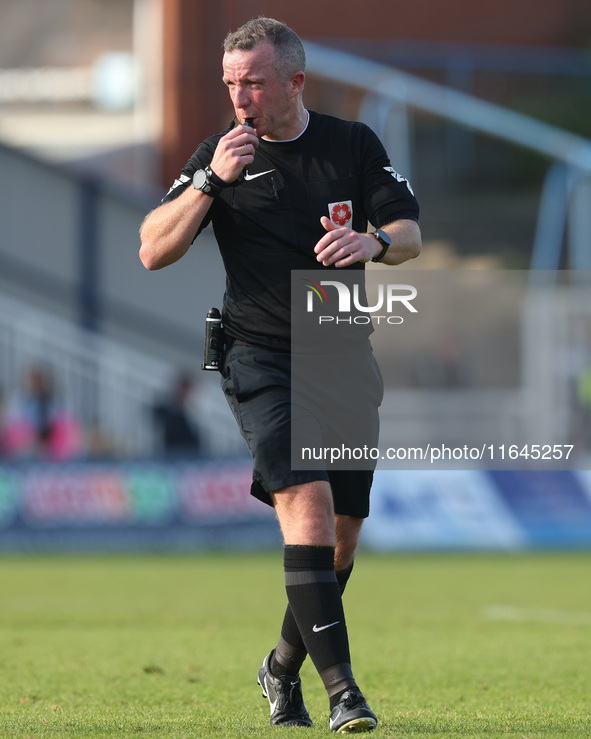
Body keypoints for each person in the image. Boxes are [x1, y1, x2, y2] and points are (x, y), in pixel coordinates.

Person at [139, 17, 421, 733]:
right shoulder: (218, 156)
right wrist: (209, 181)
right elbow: (151, 249)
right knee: (310, 505)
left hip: (339, 348)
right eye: (231, 83)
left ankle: (278, 667)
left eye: (254, 82)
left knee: (342, 537)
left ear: (294, 82)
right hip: (258, 354)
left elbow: (410, 234)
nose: (240, 98)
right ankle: (344, 694)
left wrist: (374, 239)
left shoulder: (351, 145)